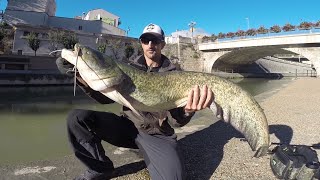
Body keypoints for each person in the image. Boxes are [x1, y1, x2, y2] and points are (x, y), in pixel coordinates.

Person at [57, 23, 214, 180]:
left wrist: (188, 110)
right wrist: (77, 74)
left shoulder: (177, 76)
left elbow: (176, 122)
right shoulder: (128, 66)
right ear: (141, 43)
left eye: (155, 40)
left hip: (157, 134)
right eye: (146, 40)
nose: (150, 44)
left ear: (163, 44)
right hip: (127, 128)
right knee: (77, 118)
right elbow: (104, 98)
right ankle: (100, 168)